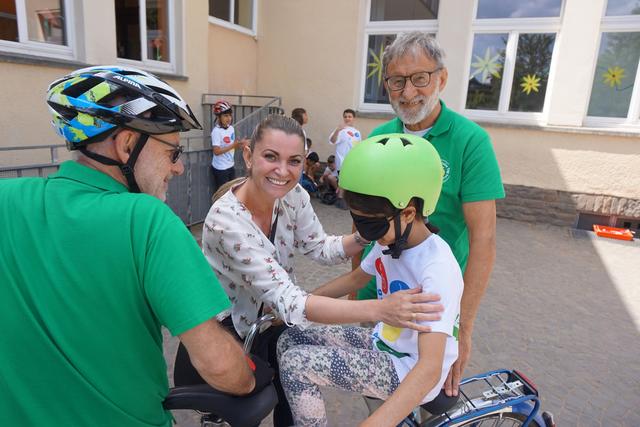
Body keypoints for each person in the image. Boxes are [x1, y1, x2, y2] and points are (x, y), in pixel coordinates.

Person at [0, 66, 263, 427]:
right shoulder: (149, 221)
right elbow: (217, 366)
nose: (180, 168)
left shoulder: (7, 199)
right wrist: (249, 379)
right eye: (173, 152)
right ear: (126, 145)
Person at [201, 115, 444, 427]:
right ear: (248, 155)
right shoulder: (226, 222)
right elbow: (291, 301)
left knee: (289, 397)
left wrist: (368, 232)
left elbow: (319, 247)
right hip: (237, 330)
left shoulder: (294, 196)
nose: (282, 171)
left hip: (275, 319)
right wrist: (381, 309)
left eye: (294, 161)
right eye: (270, 157)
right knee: (246, 413)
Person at [355, 31, 505, 397]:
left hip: (430, 308)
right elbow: (363, 227)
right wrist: (355, 299)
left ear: (442, 78)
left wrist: (462, 327)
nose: (408, 93)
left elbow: (483, 240)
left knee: (423, 401)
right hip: (379, 296)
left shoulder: (470, 141)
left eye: (419, 78)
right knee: (374, 393)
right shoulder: (377, 139)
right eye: (397, 81)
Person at [278, 133, 463, 427]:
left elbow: (428, 367)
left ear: (409, 212)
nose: (367, 233)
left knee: (296, 363)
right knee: (290, 337)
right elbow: (354, 279)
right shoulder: (390, 238)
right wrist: (301, 303)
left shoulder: (437, 266)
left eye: (372, 224)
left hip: (408, 367)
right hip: (384, 344)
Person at [211, 99, 249, 192]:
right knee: (222, 193)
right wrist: (234, 145)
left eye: (230, 115)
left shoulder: (231, 129)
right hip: (220, 168)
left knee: (231, 191)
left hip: (230, 165)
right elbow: (216, 151)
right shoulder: (216, 132)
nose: (229, 118)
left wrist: (241, 144)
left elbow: (232, 145)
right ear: (219, 117)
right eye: (225, 115)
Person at [328, 108, 361, 209]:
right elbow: (332, 141)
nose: (347, 118)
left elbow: (358, 147)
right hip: (341, 161)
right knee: (342, 181)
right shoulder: (340, 130)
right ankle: (341, 200)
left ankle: (349, 201)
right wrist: (338, 130)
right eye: (345, 116)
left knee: (350, 182)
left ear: (353, 118)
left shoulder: (357, 133)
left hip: (353, 162)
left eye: (350, 116)